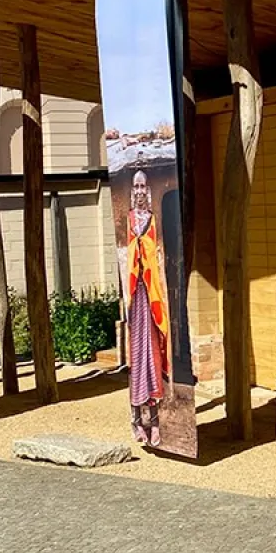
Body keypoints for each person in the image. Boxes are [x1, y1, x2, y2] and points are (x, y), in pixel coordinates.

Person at [125, 170, 170, 447]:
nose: (140, 191)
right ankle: (135, 418)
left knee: (151, 355)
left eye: (143, 186)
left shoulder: (153, 220)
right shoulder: (128, 220)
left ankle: (152, 419)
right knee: (135, 357)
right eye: (136, 186)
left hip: (150, 294)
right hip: (134, 293)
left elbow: (157, 255)